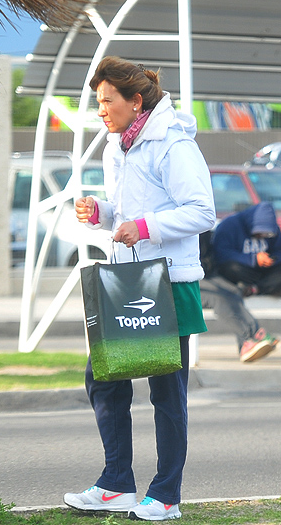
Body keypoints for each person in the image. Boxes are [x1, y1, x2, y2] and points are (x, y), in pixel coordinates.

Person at [66, 57, 216, 521]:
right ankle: (117, 485)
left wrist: (144, 225)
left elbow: (202, 212)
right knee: (104, 379)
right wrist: (103, 213)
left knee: (167, 392)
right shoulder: (119, 147)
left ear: (135, 101)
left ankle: (166, 495)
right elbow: (129, 213)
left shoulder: (174, 146)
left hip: (170, 283)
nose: (101, 110)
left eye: (107, 100)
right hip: (128, 281)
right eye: (98, 102)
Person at [198, 230, 281, 363]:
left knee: (234, 291)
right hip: (180, 285)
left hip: (203, 277)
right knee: (220, 299)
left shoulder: (203, 231)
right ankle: (249, 337)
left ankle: (252, 337)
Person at [210, 201, 281, 298]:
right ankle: (272, 288)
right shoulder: (229, 225)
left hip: (264, 272)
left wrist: (272, 260)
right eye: (259, 232)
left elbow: (280, 252)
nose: (263, 236)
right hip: (243, 270)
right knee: (231, 268)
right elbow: (221, 254)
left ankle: (256, 289)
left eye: (267, 234)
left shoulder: (273, 229)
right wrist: (253, 259)